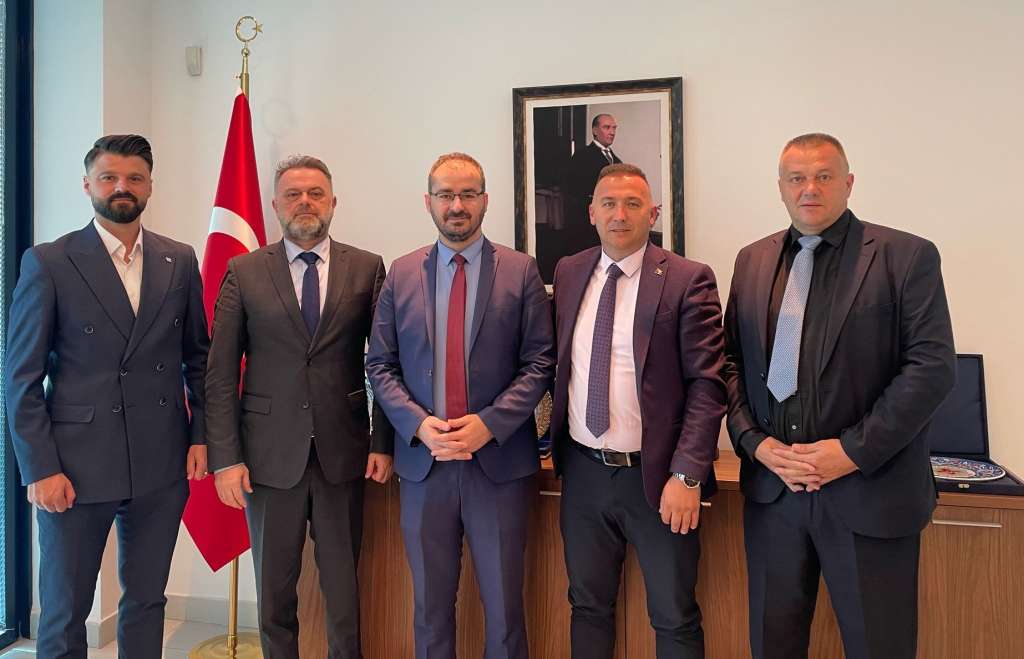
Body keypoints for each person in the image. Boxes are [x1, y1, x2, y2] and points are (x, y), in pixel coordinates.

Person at [723, 133, 956, 659]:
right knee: (773, 647)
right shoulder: (752, 260)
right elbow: (730, 361)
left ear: (848, 183)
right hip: (775, 493)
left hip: (868, 492)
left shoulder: (905, 256)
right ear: (780, 187)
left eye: (823, 176)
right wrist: (755, 443)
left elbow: (931, 369)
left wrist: (849, 452)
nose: (810, 188)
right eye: (797, 178)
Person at [4, 134, 209, 657]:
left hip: (160, 459)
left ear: (149, 186)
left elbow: (198, 358)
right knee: (64, 609)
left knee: (147, 601)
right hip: (74, 466)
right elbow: (21, 378)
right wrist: (39, 468)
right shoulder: (49, 261)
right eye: (109, 177)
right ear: (87, 185)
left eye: (134, 178)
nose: (122, 187)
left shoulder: (179, 259)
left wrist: (200, 435)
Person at [365, 152, 554, 659]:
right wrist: (418, 425)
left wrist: (489, 425)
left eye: (468, 194)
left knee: (505, 611)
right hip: (424, 467)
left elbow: (540, 362)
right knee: (429, 608)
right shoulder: (402, 273)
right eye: (446, 194)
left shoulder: (520, 270)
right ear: (427, 202)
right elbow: (380, 363)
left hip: (498, 465)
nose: (457, 205)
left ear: (485, 201)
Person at [205, 155, 393, 659]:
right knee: (274, 597)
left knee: (344, 594)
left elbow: (384, 363)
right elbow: (220, 374)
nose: (304, 202)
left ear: (333, 202)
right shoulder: (244, 271)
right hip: (267, 460)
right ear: (275, 205)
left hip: (343, 454)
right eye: (293, 194)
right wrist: (226, 458)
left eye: (315, 193)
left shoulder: (367, 267)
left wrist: (382, 442)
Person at [549, 163, 726, 658]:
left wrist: (688, 474)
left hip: (658, 479)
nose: (620, 215)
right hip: (583, 473)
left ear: (653, 213)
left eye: (632, 204)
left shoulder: (688, 279)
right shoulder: (569, 271)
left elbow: (708, 385)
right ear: (591, 212)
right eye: (608, 203)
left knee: (674, 615)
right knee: (587, 607)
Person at [563, 113, 622, 254]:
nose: (612, 132)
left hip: (610, 224)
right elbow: (572, 191)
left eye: (614, 128)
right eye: (607, 127)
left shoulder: (617, 161)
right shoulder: (581, 156)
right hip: (586, 225)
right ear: (595, 131)